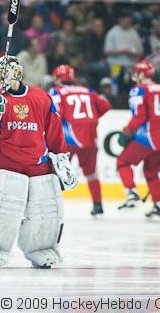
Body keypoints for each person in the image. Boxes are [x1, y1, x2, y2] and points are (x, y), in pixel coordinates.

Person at [0, 56, 77, 268]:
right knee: (5, 211)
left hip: (38, 164)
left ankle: (40, 249)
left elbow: (55, 130)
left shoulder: (41, 97)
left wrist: (60, 156)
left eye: (3, 73)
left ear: (16, 73)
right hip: (7, 163)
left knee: (44, 212)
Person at [116, 60, 160, 218]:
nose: (135, 76)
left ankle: (132, 194)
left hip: (148, 137)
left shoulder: (139, 89)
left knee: (122, 162)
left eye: (137, 73)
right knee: (151, 172)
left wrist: (128, 130)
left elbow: (140, 115)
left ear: (143, 74)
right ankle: (158, 206)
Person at [49, 65, 111, 216]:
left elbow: (56, 114)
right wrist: (91, 118)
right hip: (90, 138)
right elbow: (105, 105)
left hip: (69, 139)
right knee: (91, 173)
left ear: (58, 78)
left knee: (56, 171)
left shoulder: (56, 91)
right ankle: (98, 205)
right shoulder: (87, 91)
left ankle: (51, 205)